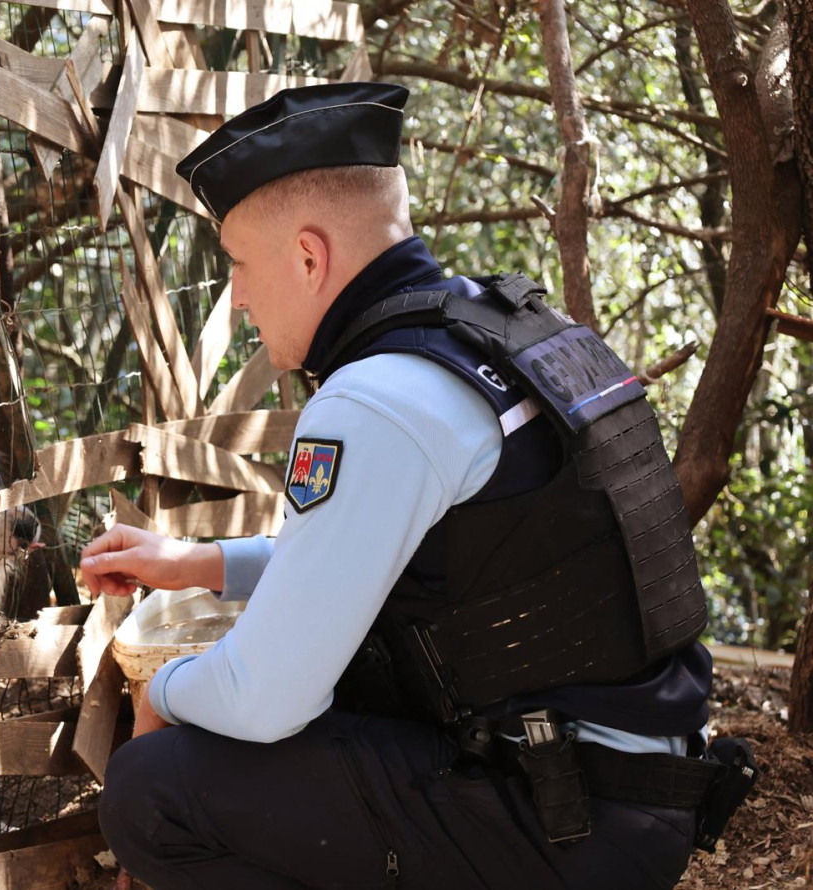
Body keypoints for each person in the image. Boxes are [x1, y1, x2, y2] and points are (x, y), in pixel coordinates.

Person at [82, 82, 753, 889]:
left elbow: (264, 700)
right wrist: (198, 563)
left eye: (240, 265)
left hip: (561, 826)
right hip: (626, 799)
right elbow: (433, 561)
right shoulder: (502, 339)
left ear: (307, 255)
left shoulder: (374, 397)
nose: (244, 296)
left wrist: (167, 693)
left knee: (157, 788)